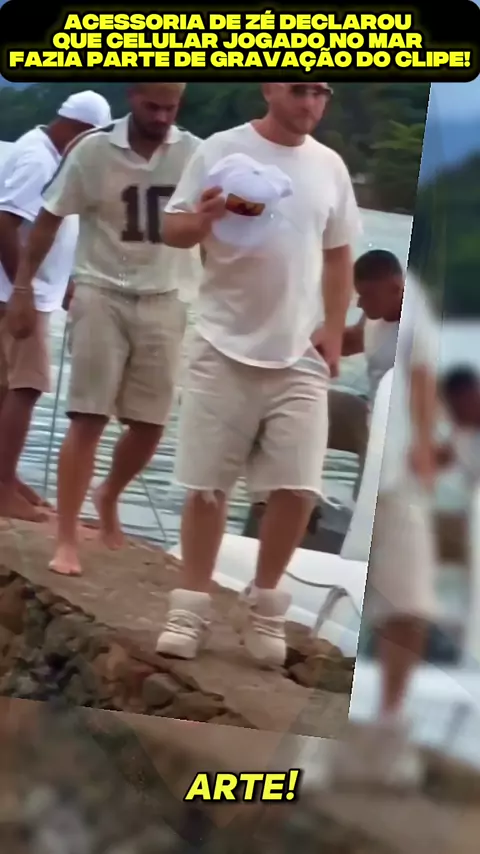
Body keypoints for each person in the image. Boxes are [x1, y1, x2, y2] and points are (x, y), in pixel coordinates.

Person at [157, 82, 361, 665]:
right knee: (207, 486)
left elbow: (339, 254)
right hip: (221, 341)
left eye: (321, 93)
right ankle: (189, 608)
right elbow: (172, 228)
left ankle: (266, 606)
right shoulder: (222, 148)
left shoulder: (330, 166)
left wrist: (333, 329)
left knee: (298, 487)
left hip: (299, 352)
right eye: (299, 90)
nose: (311, 103)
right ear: (270, 87)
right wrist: (201, 220)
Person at [8, 82, 200, 576]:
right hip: (100, 290)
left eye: (171, 108)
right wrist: (24, 288)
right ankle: (67, 537)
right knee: (88, 416)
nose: (161, 117)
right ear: (132, 96)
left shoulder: (195, 154)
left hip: (166, 295)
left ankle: (109, 493)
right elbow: (47, 220)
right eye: (152, 106)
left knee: (151, 423)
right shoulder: (92, 150)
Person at [326, 249, 440, 787]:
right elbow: (347, 339)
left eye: (366, 294)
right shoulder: (374, 322)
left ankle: (390, 713)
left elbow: (428, 383)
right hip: (374, 451)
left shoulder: (420, 322)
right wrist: (308, 343)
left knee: (403, 594)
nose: (360, 303)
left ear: (395, 286)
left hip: (405, 466)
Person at [0, 90, 112, 522]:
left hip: (26, 291)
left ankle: (6, 477)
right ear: (78, 130)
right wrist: (22, 292)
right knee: (26, 387)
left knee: (6, 387)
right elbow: (4, 223)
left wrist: (61, 285)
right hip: (14, 295)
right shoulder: (38, 160)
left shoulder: (46, 154)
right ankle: (3, 488)